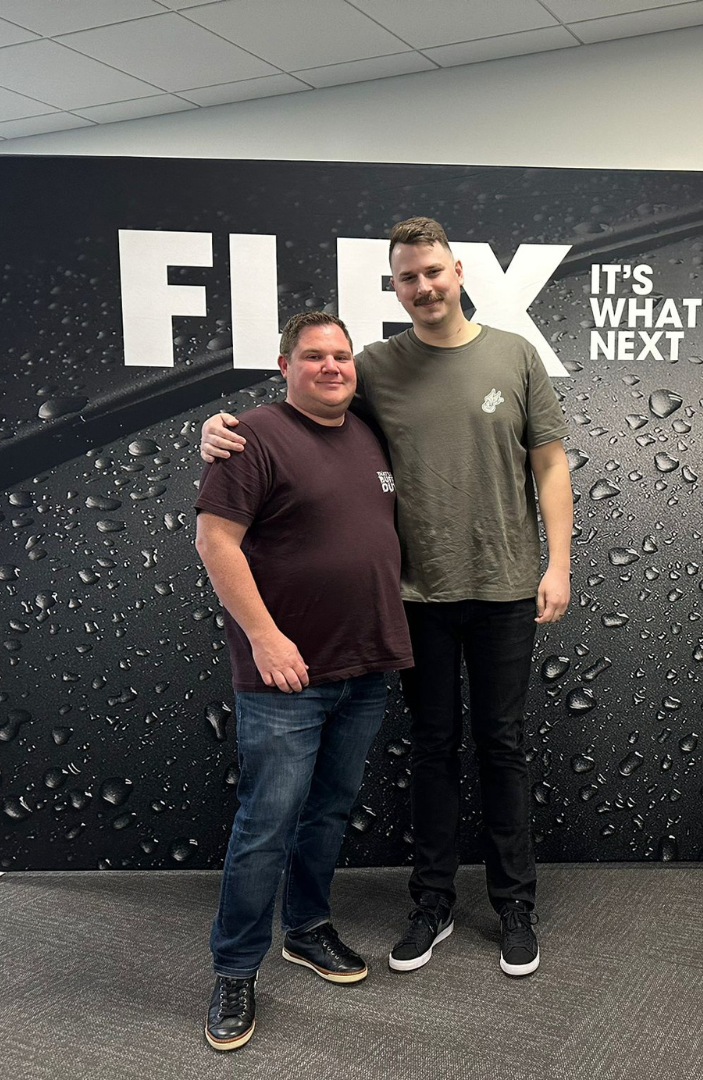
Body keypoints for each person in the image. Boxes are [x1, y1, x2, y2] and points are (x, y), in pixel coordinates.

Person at [201, 217, 572, 979]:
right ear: (396, 286)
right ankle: (432, 903)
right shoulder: (373, 365)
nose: (424, 286)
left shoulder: (515, 354)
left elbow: (551, 464)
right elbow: (306, 406)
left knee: (502, 747)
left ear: (457, 271)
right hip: (417, 600)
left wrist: (557, 564)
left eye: (433, 272)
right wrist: (216, 427)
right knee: (432, 751)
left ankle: (514, 906)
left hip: (505, 590)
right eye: (408, 277)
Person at [194, 310, 413, 1051]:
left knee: (328, 812)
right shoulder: (251, 435)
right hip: (287, 673)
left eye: (343, 356)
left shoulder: (370, 432)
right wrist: (264, 636)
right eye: (314, 356)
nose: (332, 367)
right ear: (283, 364)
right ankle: (233, 970)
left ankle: (308, 928)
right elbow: (214, 540)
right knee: (266, 826)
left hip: (367, 664)